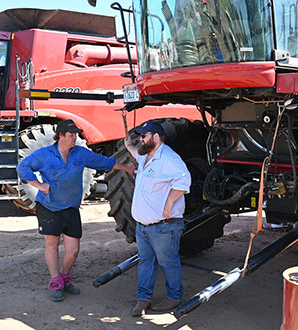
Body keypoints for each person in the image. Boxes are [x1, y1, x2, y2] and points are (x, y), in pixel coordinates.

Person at [17, 119, 134, 302]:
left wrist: (127, 168)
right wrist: (39, 185)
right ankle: (55, 282)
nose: (75, 138)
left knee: (73, 250)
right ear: (61, 135)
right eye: (71, 135)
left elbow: (103, 162)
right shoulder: (44, 154)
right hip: (49, 206)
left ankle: (64, 276)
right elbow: (22, 167)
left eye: (76, 135)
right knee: (52, 245)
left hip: (70, 207)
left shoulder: (80, 153)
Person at [124, 120, 191, 316]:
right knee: (145, 262)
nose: (141, 140)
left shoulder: (169, 159)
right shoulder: (147, 156)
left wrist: (170, 203)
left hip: (163, 227)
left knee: (168, 262)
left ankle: (175, 297)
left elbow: (184, 180)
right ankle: (143, 299)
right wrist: (128, 145)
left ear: (155, 137)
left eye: (144, 136)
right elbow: (135, 152)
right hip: (143, 226)